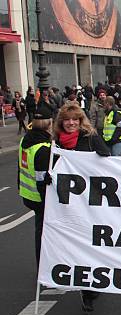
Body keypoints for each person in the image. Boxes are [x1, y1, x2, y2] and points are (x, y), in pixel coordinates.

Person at [54, 104, 110, 311]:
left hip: (90, 201)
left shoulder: (90, 137)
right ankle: (86, 287)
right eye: (67, 120)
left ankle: (90, 289)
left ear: (80, 121)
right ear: (61, 122)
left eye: (75, 120)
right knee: (73, 244)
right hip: (66, 203)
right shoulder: (55, 143)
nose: (71, 123)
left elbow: (106, 158)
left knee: (90, 242)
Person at [18, 111, 52, 270]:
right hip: (39, 198)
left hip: (27, 194)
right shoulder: (43, 148)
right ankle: (44, 266)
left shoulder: (25, 140)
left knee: (40, 231)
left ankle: (43, 264)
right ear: (49, 124)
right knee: (44, 234)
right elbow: (41, 180)